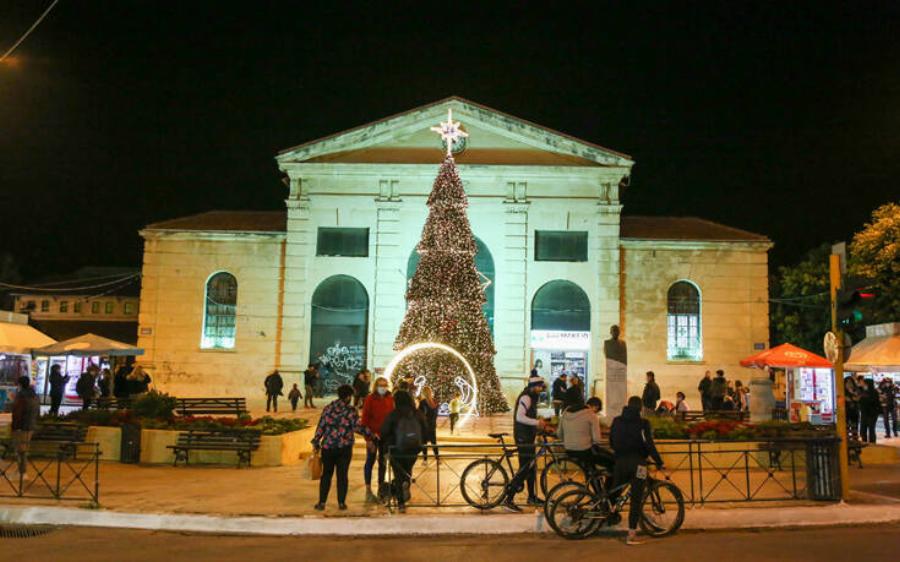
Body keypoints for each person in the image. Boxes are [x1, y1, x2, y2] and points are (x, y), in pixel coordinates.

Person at [609, 395, 665, 546]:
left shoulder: (617, 421)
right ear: (640, 408)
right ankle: (631, 534)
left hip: (620, 462)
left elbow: (611, 441)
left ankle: (610, 514)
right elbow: (649, 444)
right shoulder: (643, 423)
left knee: (614, 492)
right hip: (639, 464)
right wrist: (659, 461)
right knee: (636, 499)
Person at [312, 384, 365, 511]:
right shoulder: (350, 411)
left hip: (328, 447)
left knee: (326, 475)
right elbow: (358, 427)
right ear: (348, 397)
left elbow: (321, 426)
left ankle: (321, 502)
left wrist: (316, 440)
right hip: (344, 448)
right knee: (342, 475)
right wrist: (372, 436)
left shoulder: (328, 408)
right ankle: (341, 502)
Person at [379, 389, 426, 513]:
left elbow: (383, 431)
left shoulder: (394, 414)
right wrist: (421, 445)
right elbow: (426, 429)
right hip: (413, 450)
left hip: (396, 449)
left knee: (398, 475)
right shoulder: (417, 413)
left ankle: (401, 503)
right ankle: (407, 482)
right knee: (407, 471)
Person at [508, 372, 548, 512]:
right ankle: (509, 498)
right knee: (525, 468)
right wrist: (537, 422)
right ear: (533, 386)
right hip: (522, 437)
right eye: (539, 387)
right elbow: (520, 417)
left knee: (530, 468)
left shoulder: (532, 397)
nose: (541, 389)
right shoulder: (526, 397)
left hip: (528, 437)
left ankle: (531, 497)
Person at [557, 387, 614, 479]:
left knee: (591, 469)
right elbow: (597, 439)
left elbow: (559, 434)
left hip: (569, 450)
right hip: (585, 451)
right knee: (612, 462)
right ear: (595, 406)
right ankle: (608, 491)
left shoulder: (565, 412)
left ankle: (594, 484)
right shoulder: (591, 414)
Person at [361, 376, 394, 502]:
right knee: (370, 461)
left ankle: (381, 489)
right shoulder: (370, 399)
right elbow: (364, 419)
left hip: (385, 437)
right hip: (373, 436)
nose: (383, 387)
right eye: (380, 385)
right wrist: (368, 438)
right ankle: (368, 490)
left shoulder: (390, 399)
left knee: (383, 463)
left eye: (385, 385)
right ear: (376, 386)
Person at [9, 376, 40, 481]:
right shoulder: (35, 396)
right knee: (24, 449)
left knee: (20, 450)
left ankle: (22, 472)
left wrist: (14, 426)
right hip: (30, 426)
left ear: (20, 384)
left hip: (21, 427)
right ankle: (21, 471)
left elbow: (17, 413)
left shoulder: (21, 396)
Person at [417, 386, 439, 462]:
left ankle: (425, 460)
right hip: (432, 425)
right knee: (434, 442)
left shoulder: (422, 403)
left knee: (424, 443)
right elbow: (436, 414)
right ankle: (437, 458)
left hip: (424, 426)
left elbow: (420, 414)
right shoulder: (435, 402)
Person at [859, 379, 880, 443]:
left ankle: (872, 444)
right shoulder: (863, 391)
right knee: (863, 429)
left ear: (867, 384)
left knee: (871, 429)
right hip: (864, 413)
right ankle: (864, 442)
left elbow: (873, 401)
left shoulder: (874, 392)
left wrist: (862, 398)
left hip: (872, 414)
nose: (862, 384)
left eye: (863, 383)